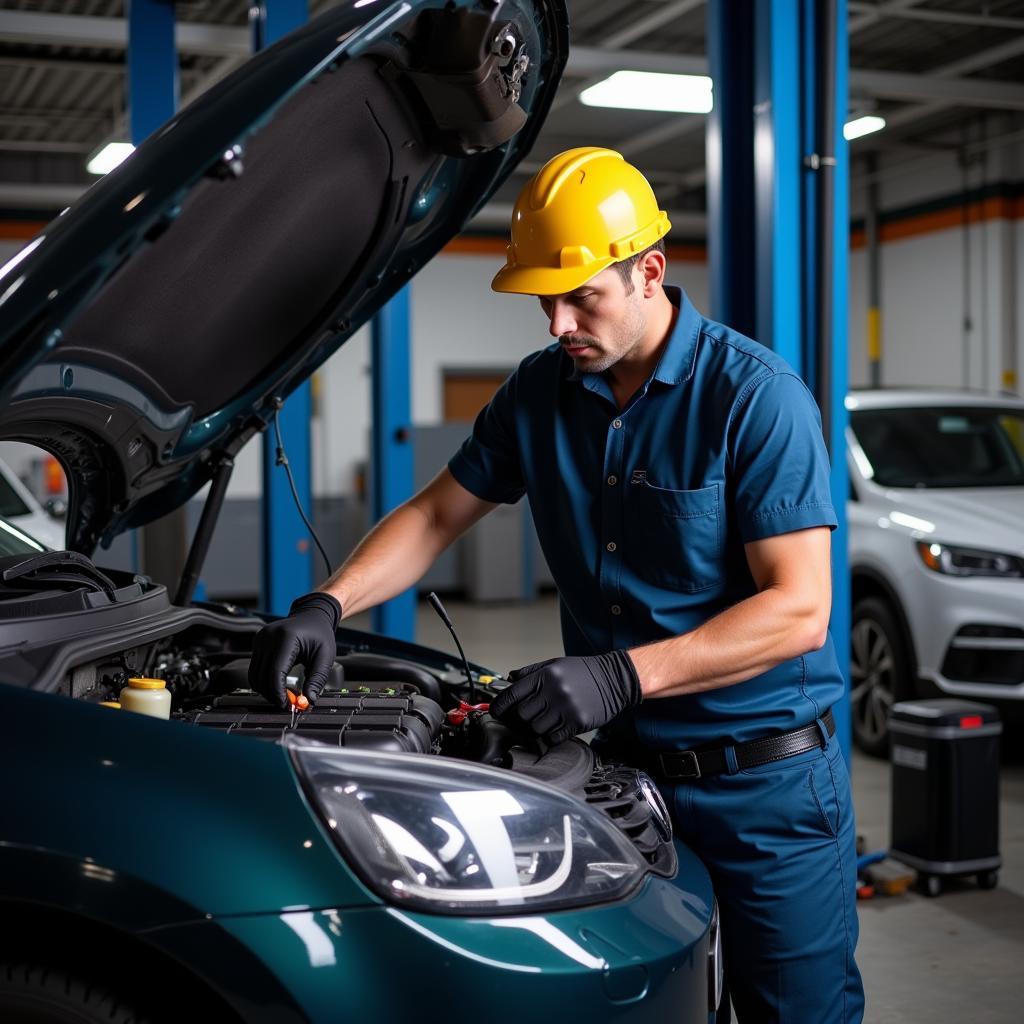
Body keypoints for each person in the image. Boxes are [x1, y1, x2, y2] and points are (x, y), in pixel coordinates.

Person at [249, 147, 865, 1023]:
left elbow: (799, 610)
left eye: (582, 297)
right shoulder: (541, 393)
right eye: (545, 299)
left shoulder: (755, 399)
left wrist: (621, 675)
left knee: (793, 1013)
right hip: (615, 780)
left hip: (764, 793)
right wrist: (326, 603)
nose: (556, 323)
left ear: (649, 272)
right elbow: (434, 515)